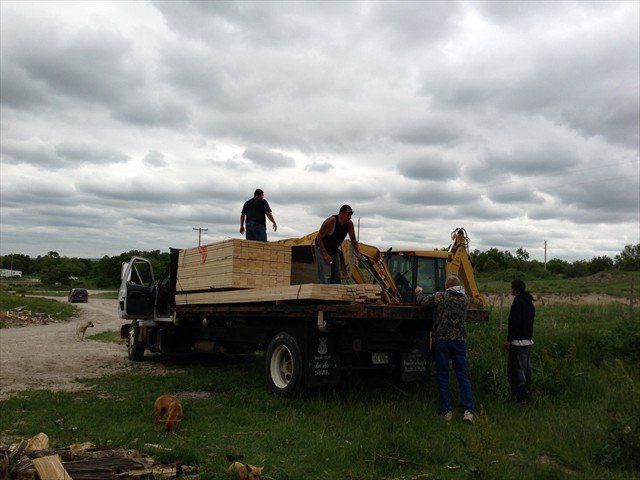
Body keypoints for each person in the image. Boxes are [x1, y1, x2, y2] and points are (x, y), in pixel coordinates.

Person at [415, 276, 475, 423]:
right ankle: (468, 411)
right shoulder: (465, 299)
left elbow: (424, 303)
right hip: (460, 342)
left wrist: (418, 292)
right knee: (462, 375)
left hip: (442, 341)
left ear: (447, 285)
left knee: (442, 375)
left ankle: (446, 411)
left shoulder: (440, 296)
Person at [503, 278, 535, 403]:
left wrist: (508, 340)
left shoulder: (518, 302)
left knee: (516, 371)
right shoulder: (529, 302)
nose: (510, 289)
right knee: (526, 369)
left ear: (515, 289)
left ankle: (521, 399)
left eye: (511, 287)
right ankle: (527, 395)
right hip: (528, 341)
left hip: (518, 342)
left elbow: (514, 323)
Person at [314, 205, 361, 284]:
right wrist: (324, 253)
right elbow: (319, 237)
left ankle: (336, 293)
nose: (349, 217)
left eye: (350, 215)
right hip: (322, 248)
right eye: (348, 215)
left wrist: (358, 253)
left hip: (334, 249)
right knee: (326, 275)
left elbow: (354, 241)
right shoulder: (331, 221)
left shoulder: (349, 224)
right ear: (341, 214)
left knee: (336, 275)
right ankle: (324, 294)